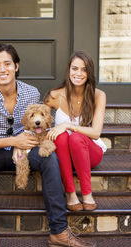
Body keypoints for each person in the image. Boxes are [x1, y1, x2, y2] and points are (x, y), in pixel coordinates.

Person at [0, 44, 97, 247]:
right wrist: (13, 141)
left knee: (50, 157)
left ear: (16, 66)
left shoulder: (31, 92)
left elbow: (40, 126)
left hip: (28, 150)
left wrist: (23, 144)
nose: (2, 69)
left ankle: (60, 232)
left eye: (7, 63)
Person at [45, 50, 107, 212]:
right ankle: (71, 194)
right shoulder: (54, 95)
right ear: (69, 70)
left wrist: (67, 125)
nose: (79, 73)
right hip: (64, 154)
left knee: (76, 137)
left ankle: (87, 194)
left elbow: (95, 133)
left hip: (89, 152)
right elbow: (40, 124)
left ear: (89, 73)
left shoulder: (98, 95)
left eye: (84, 69)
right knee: (60, 137)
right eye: (75, 68)